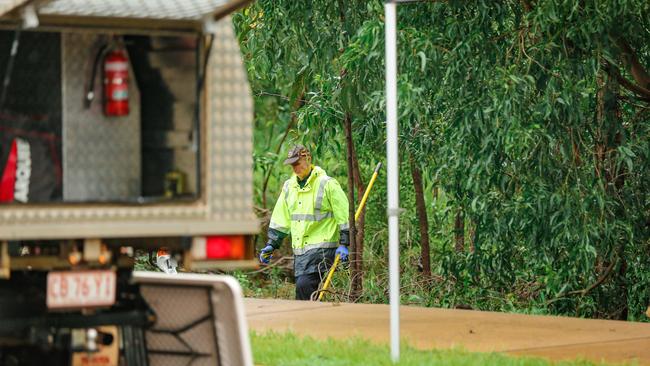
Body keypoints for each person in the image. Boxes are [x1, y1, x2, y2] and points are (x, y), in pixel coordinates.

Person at [259, 144, 350, 300]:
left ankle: (305, 322)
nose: (295, 168)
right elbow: (282, 218)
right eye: (292, 165)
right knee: (303, 291)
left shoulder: (327, 184)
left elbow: (343, 215)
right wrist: (272, 244)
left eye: (297, 163)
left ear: (308, 158)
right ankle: (310, 321)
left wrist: (344, 244)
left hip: (323, 249)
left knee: (304, 286)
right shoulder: (289, 186)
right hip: (301, 252)